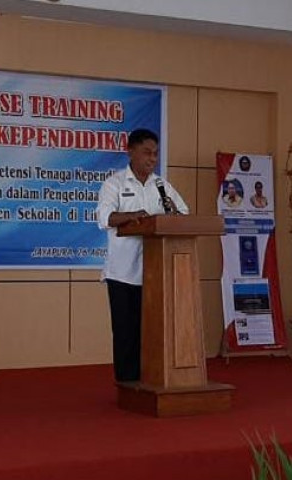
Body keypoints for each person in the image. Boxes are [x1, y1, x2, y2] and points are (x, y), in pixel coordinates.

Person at [97, 128, 189, 383]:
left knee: (152, 332)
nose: (152, 159)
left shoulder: (162, 186)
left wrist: (173, 216)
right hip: (122, 273)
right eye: (147, 152)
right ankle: (127, 385)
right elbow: (104, 217)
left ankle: (151, 380)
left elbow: (183, 215)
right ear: (130, 152)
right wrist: (132, 216)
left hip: (155, 273)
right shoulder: (114, 183)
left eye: (155, 154)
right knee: (126, 333)